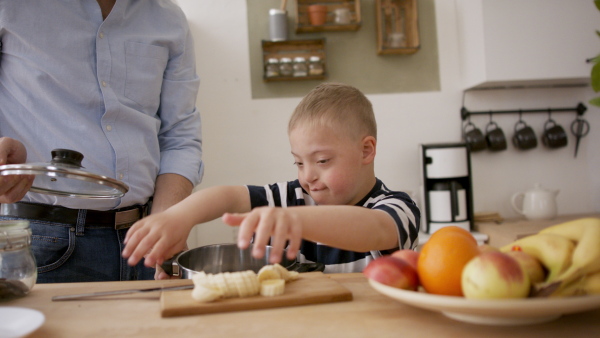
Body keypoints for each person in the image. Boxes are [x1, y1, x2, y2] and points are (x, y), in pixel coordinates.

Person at [0, 0, 203, 283]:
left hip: (145, 242)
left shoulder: (168, 17)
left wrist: (166, 225)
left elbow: (180, 137)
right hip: (39, 241)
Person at [123, 83, 420, 274]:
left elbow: (377, 229)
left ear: (366, 150)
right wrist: (178, 217)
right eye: (298, 163)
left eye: (322, 161)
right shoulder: (289, 198)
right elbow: (228, 197)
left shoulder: (397, 207)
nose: (308, 176)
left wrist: (294, 221)